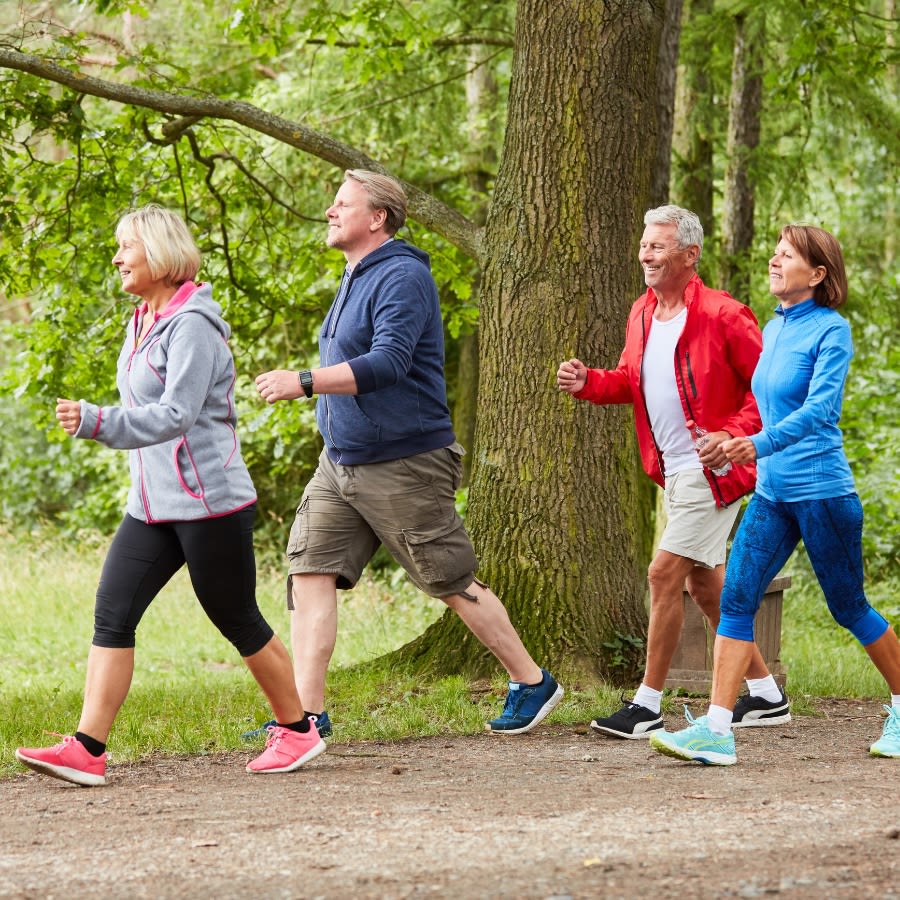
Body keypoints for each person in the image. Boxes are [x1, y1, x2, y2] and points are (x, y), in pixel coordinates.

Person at [15, 205, 325, 787]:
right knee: (113, 612)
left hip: (210, 503)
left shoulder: (193, 327)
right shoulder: (144, 320)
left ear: (158, 253)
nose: (117, 258)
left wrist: (97, 421)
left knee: (235, 616)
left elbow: (177, 414)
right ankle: (87, 748)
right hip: (152, 506)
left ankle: (299, 730)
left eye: (126, 247)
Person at [253, 169, 563, 737]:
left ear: (378, 218)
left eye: (342, 203)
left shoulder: (401, 275)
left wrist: (305, 380)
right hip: (341, 460)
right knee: (309, 571)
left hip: (403, 462)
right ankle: (305, 719)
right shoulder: (354, 275)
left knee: (448, 579)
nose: (330, 210)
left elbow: (389, 362)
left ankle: (531, 679)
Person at [650, 224, 900, 765]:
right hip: (772, 494)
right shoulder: (776, 326)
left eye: (786, 255)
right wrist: (728, 440)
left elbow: (820, 412)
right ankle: (717, 730)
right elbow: (761, 403)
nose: (774, 260)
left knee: (848, 606)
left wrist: (756, 444)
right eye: (775, 252)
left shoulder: (831, 332)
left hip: (821, 492)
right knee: (736, 599)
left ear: (817, 274)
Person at [557, 205, 784, 740]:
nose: (645, 255)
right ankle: (768, 697)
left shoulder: (726, 315)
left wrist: (733, 436)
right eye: (644, 245)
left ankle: (648, 704)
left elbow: (770, 391)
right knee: (706, 588)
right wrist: (589, 381)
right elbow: (630, 382)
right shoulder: (640, 312)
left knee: (663, 574)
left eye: (657, 247)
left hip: (716, 471)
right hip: (673, 473)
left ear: (689, 254)